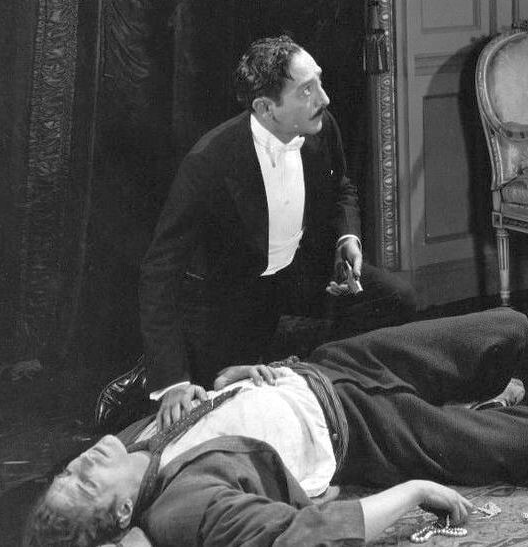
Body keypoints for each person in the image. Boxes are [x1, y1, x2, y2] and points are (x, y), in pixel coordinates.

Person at [24, 308, 528, 547]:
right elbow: (302, 537)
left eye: (68, 473)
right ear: (124, 513)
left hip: (326, 365)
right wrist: (412, 492)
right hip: (361, 427)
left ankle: (472, 402)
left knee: (510, 327)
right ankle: (473, 412)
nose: (83, 462)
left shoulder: (128, 444)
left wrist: (226, 379)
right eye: (87, 482)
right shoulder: (182, 507)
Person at [128, 34, 417, 432]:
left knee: (396, 299)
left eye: (319, 82)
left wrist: (346, 239)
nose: (324, 98)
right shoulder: (209, 161)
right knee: (234, 411)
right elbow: (160, 270)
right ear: (266, 108)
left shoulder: (321, 127)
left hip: (298, 279)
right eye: (306, 90)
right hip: (232, 304)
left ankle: (338, 400)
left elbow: (342, 188)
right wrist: (172, 381)